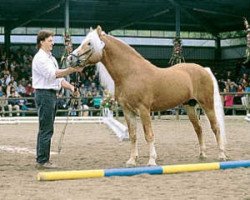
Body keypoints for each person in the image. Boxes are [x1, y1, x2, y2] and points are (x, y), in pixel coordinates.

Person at [32, 29, 82, 169]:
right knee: (46, 129)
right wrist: (71, 69)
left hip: (51, 95)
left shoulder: (51, 58)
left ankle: (43, 159)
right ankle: (42, 160)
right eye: (49, 41)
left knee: (47, 128)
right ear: (42, 42)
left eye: (52, 41)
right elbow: (52, 75)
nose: (52, 43)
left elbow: (58, 80)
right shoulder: (40, 58)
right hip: (44, 94)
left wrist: (71, 87)